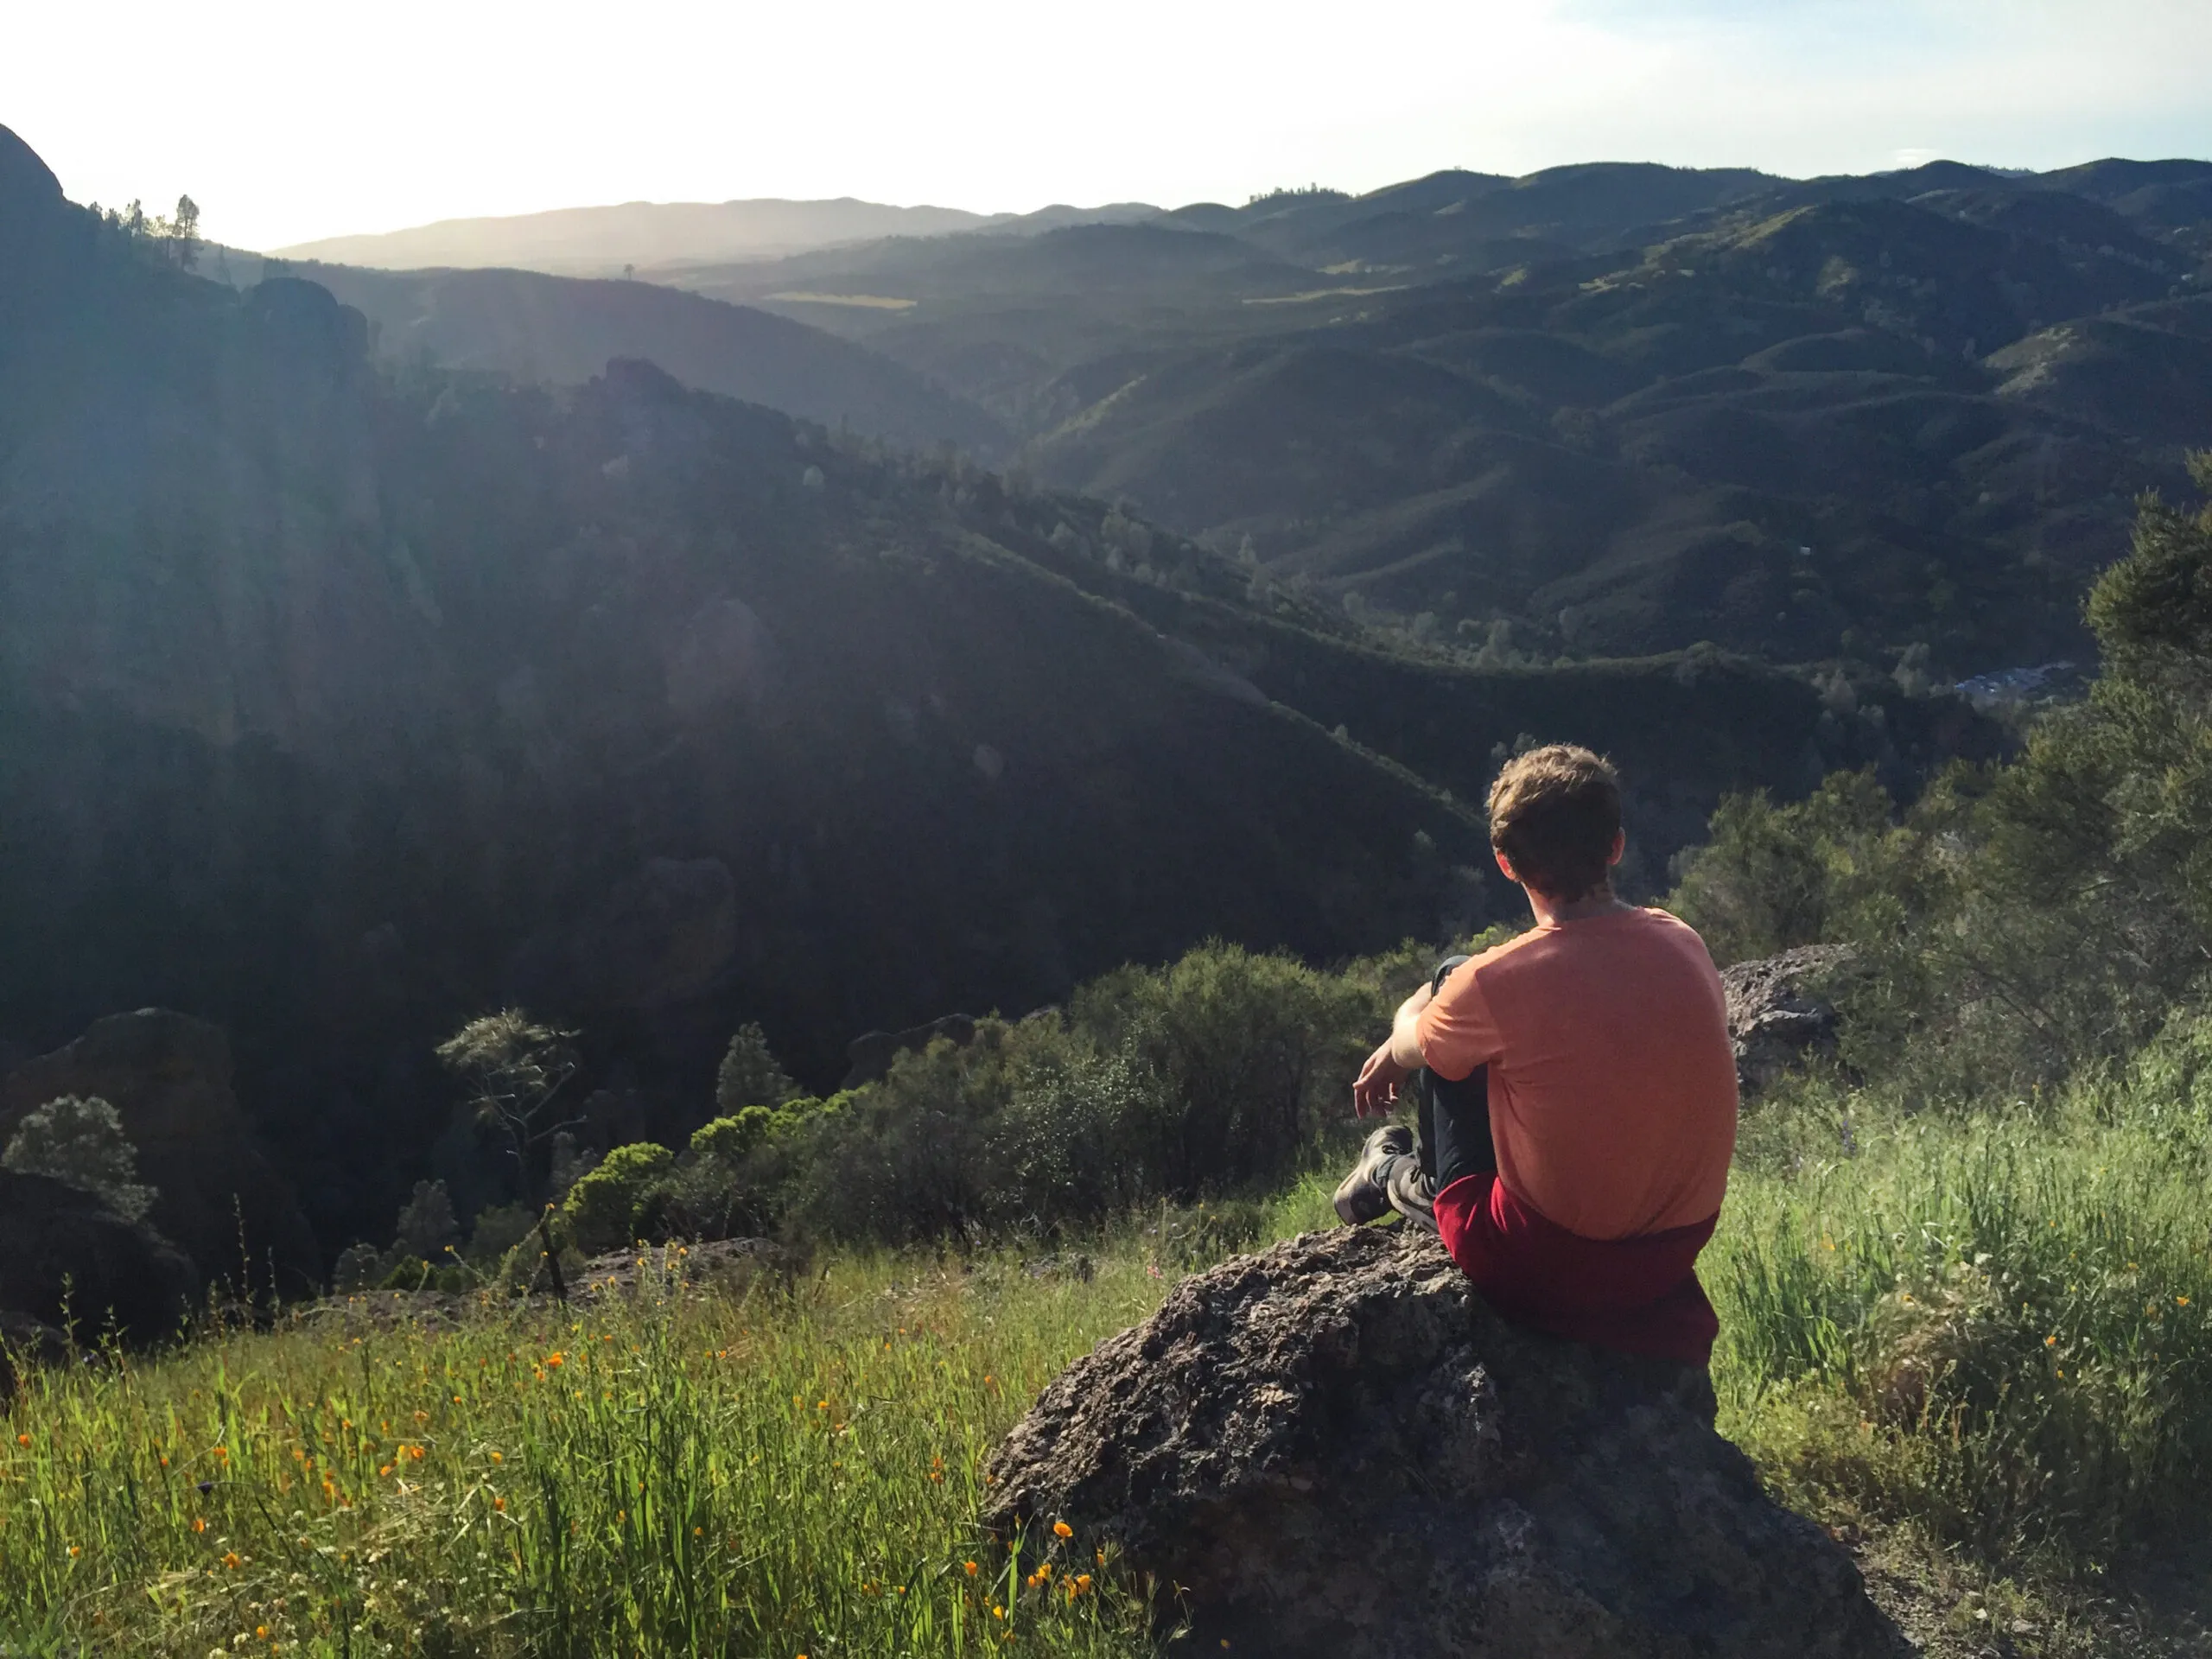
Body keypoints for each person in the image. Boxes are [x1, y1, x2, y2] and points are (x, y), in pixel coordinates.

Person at [1333, 743, 1738, 1366]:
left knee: (1450, 1008)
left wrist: (1406, 1024)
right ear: (1616, 845)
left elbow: (1415, 1046)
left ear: (1505, 863)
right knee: (1461, 987)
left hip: (1550, 1267)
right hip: (1670, 1255)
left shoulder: (1498, 985)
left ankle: (1397, 1178)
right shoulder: (1681, 940)